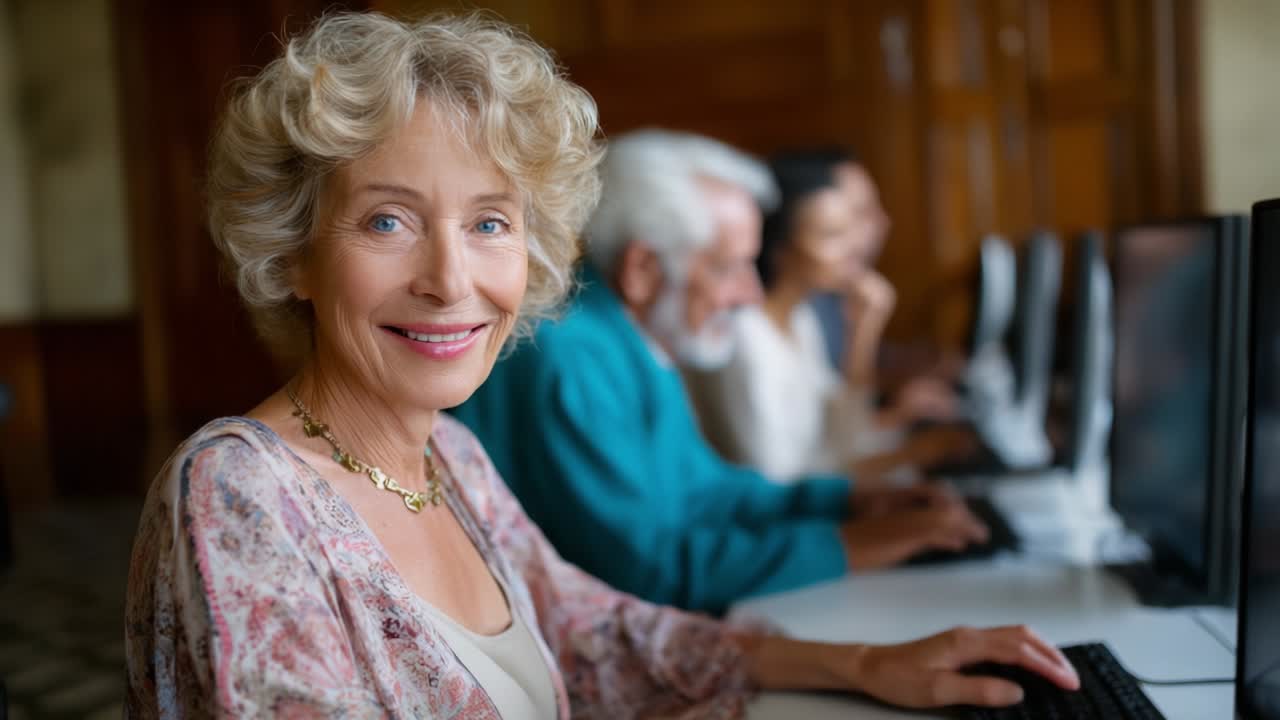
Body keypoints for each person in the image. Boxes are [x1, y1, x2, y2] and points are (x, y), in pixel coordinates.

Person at [124, 13, 1078, 718]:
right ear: (291, 252)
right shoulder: (238, 488)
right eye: (388, 221)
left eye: (490, 223)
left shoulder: (450, 457)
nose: (452, 279)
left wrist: (863, 664)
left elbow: (595, 631)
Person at [452, 129, 990, 615]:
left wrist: (847, 501)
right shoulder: (571, 355)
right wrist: (863, 543)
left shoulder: (630, 338)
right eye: (728, 267)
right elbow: (648, 571)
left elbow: (705, 494)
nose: (750, 294)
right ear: (642, 269)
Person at [684, 150, 963, 484]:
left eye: (849, 231)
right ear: (780, 248)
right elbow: (783, 483)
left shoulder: (801, 318)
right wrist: (913, 454)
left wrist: (863, 331)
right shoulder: (744, 340)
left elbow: (840, 435)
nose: (854, 248)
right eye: (831, 235)